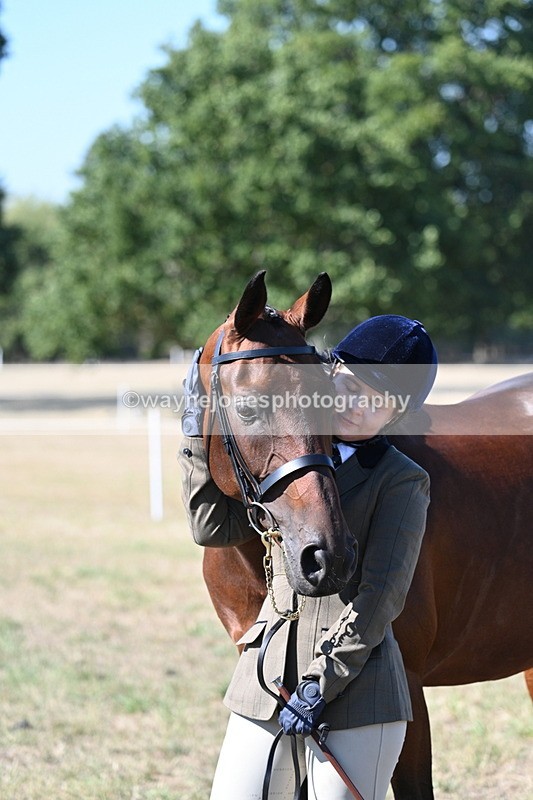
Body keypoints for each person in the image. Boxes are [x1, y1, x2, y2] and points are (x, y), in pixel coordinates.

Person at [179, 315, 438, 800]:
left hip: (359, 688)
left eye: (379, 400)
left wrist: (323, 681)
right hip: (267, 676)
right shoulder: (287, 454)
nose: (356, 406)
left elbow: (381, 597)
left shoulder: (402, 481)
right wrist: (196, 431)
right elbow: (212, 528)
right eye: (350, 385)